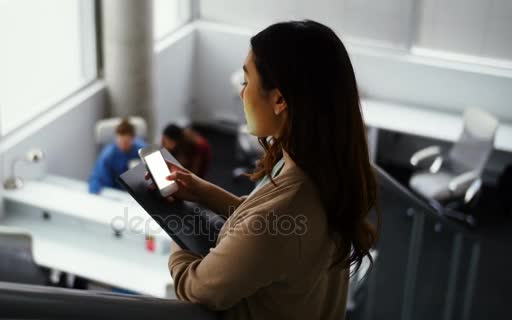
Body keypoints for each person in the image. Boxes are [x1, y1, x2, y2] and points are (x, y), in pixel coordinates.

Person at [153, 20, 380, 320]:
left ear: (279, 99)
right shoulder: (317, 166)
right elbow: (264, 226)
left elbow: (197, 287)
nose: (242, 94)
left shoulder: (286, 209)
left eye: (247, 82)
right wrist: (201, 191)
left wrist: (175, 222)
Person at [88, 118, 146, 193]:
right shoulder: (108, 155)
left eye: (126, 142)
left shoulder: (141, 149)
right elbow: (97, 178)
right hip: (117, 192)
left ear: (133, 139)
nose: (123, 145)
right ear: (116, 138)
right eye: (120, 141)